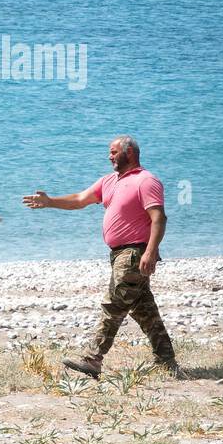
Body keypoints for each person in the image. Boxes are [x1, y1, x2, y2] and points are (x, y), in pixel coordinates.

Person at [23, 136, 178, 378]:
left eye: (114, 152)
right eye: (110, 152)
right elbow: (79, 200)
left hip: (134, 253)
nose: (109, 156)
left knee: (113, 305)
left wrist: (149, 251)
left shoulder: (146, 181)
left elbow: (159, 218)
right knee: (144, 310)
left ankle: (92, 359)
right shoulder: (109, 181)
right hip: (117, 255)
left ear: (130, 154)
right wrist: (50, 202)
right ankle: (166, 360)